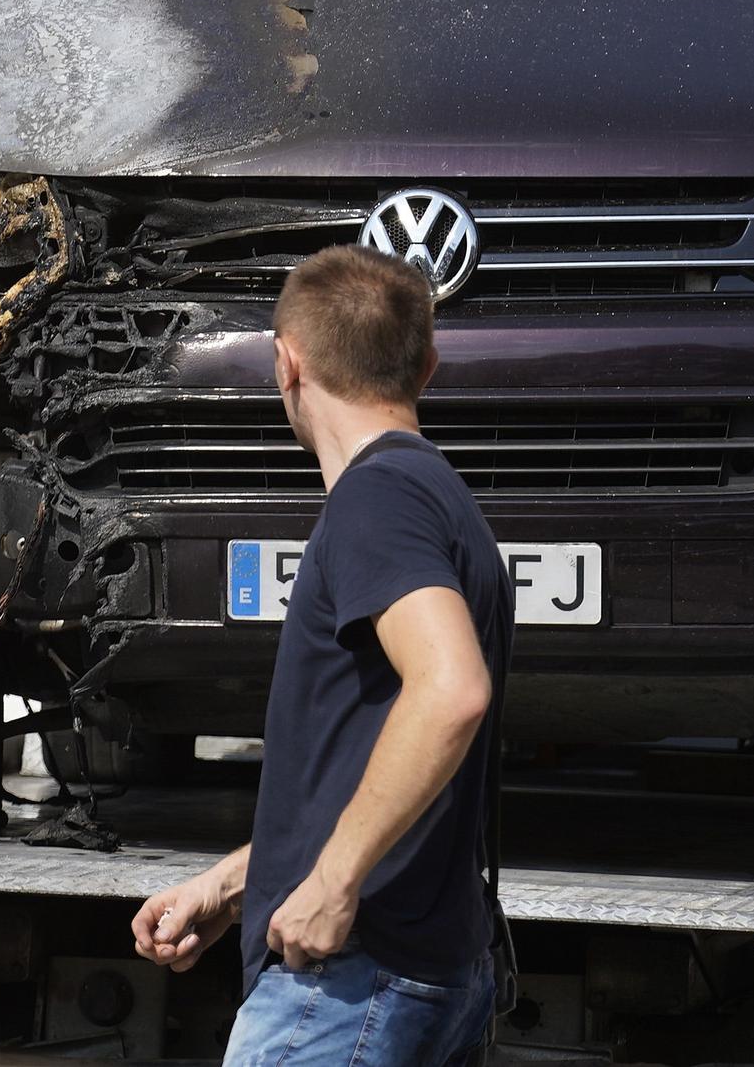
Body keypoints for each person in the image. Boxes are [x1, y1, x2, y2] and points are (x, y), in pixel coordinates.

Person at [132, 245, 513, 1066]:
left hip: (350, 989)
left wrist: (336, 882)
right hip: (418, 973)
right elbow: (367, 756)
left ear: (286, 364)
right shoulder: (442, 499)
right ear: (428, 366)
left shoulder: (379, 498)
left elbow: (451, 691)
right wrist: (236, 882)